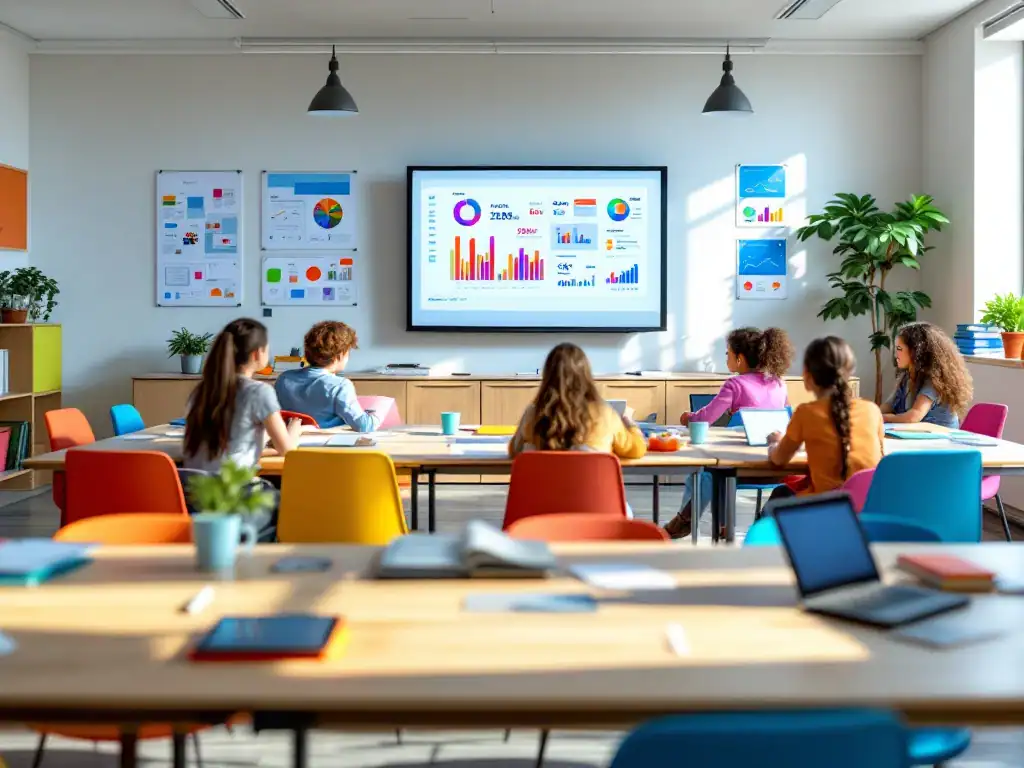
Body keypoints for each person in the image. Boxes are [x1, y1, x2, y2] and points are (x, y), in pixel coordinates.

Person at [663, 327, 795, 538]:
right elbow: (786, 416)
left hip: (740, 469)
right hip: (776, 466)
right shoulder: (779, 383)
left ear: (740, 358)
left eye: (728, 354)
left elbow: (706, 417)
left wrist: (688, 418)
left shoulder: (735, 384)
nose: (727, 358)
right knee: (713, 474)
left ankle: (687, 520)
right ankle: (716, 525)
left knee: (705, 474)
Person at [183, 318, 301, 540]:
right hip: (235, 497)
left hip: (196, 499)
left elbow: (227, 447)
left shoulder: (201, 391)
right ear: (257, 354)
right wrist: (295, 430)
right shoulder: (258, 392)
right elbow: (288, 451)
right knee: (293, 502)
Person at [765, 336, 884, 502]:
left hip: (823, 509)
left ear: (807, 375)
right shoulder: (872, 410)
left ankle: (760, 529)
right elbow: (879, 456)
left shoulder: (805, 413)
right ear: (849, 372)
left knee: (780, 494)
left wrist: (774, 443)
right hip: (866, 510)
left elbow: (779, 459)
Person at [509, 342, 646, 460]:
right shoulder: (604, 413)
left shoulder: (532, 414)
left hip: (540, 491)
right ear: (585, 375)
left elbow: (514, 451)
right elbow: (637, 450)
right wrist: (629, 423)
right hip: (591, 491)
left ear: (547, 376)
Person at [275, 321, 380, 432]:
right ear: (340, 355)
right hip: (326, 445)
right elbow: (364, 426)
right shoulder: (340, 386)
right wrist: (376, 414)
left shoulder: (284, 379)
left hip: (291, 444)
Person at [881, 321, 972, 429]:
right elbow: (888, 405)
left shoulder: (934, 381)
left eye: (899, 349)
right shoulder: (906, 377)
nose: (895, 354)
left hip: (941, 440)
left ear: (917, 352)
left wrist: (885, 418)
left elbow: (914, 416)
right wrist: (870, 414)